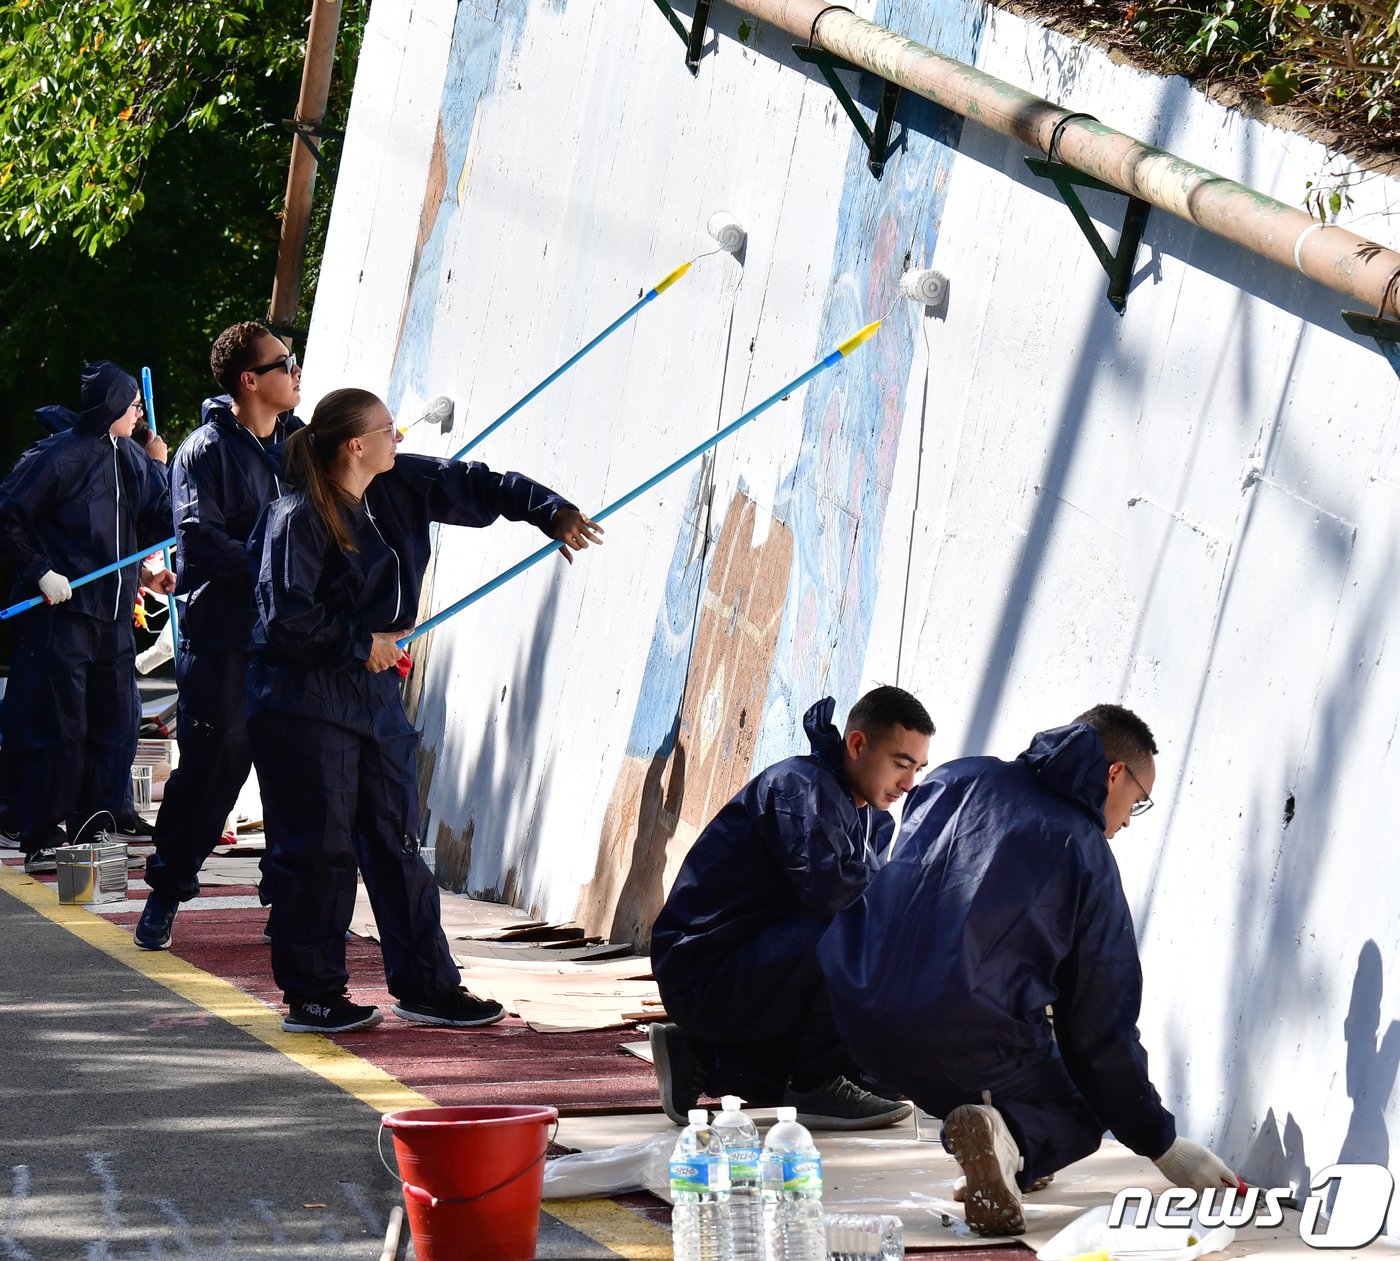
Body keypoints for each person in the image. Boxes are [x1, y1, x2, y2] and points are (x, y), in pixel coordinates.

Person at [246, 387, 603, 1033]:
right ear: (356, 444)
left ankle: (429, 985)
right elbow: (282, 619)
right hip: (304, 704)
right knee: (319, 849)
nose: (399, 438)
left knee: (397, 839)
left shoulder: (399, 483)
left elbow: (473, 484)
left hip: (373, 698)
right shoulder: (295, 515)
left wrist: (548, 510)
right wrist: (361, 643)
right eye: (389, 429)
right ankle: (313, 991)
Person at [819, 703, 1239, 1236]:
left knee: (1003, 1043)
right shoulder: (1085, 852)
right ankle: (1011, 1139)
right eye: (1138, 799)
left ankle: (1006, 1154)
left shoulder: (956, 776)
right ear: (1114, 774)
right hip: (953, 1035)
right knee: (1083, 1100)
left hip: (860, 1015)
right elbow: (1100, 1033)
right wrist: (1164, 1144)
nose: (1130, 818)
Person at [648, 687, 934, 1129]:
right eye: (900, 764)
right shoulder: (801, 789)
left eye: (918, 769)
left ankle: (701, 1055)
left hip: (753, 966)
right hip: (704, 973)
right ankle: (813, 1083)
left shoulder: (869, 818)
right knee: (851, 933)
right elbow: (838, 898)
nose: (908, 783)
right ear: (857, 745)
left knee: (877, 1071)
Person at [135, 322, 304, 950]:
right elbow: (199, 541)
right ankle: (167, 891)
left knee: (299, 770)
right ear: (250, 380)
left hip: (290, 638)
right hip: (224, 637)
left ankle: (286, 898)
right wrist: (277, 569)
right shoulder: (201, 452)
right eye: (285, 363)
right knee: (211, 771)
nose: (295, 373)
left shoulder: (301, 445)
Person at [0, 361, 175, 869]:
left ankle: (93, 826)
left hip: (115, 619)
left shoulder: (131, 459)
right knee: (61, 727)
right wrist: (39, 571)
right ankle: (42, 835)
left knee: (115, 725)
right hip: (63, 616)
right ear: (112, 405)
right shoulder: (59, 455)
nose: (139, 412)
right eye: (133, 404)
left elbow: (150, 520)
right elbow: (7, 514)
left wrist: (145, 575)